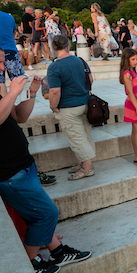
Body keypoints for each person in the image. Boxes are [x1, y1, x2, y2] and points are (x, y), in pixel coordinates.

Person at [0, 40, 90, 273]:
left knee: (38, 213)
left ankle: (57, 251)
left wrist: (31, 93)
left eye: (2, 62)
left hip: (22, 166)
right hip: (7, 172)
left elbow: (18, 117)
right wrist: (12, 91)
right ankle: (30, 261)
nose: (2, 67)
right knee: (47, 214)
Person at [46, 35, 96, 180]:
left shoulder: (54, 67)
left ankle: (87, 168)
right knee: (85, 135)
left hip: (68, 107)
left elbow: (55, 91)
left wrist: (53, 106)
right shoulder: (80, 61)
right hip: (85, 103)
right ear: (68, 46)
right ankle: (84, 163)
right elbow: (90, 80)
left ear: (54, 48)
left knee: (77, 138)